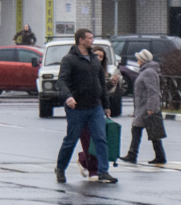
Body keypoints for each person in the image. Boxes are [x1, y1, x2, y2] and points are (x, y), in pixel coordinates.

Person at [55, 28, 117, 184]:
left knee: (100, 139)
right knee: (71, 139)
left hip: (95, 106)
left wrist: (106, 104)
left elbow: (101, 83)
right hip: (77, 107)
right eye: (89, 38)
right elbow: (61, 81)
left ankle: (103, 171)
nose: (92, 40)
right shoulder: (69, 59)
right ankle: (60, 168)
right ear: (81, 40)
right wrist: (68, 97)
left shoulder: (94, 59)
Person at [122, 49, 167, 165]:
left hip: (146, 107)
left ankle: (133, 155)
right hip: (143, 107)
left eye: (138, 59)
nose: (137, 61)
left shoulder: (148, 72)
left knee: (143, 130)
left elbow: (153, 91)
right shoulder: (147, 71)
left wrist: (151, 108)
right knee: (151, 131)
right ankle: (159, 156)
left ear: (142, 60)